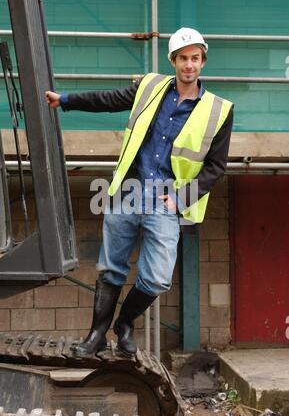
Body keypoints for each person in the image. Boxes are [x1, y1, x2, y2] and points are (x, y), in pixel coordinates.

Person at [46, 27, 233, 357]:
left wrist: (180, 198)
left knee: (157, 279)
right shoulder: (150, 86)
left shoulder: (219, 111)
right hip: (128, 192)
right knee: (111, 269)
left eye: (195, 58)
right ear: (173, 61)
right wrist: (66, 101)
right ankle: (96, 336)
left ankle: (125, 324)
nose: (189, 65)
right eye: (183, 59)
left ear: (203, 62)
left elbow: (215, 168)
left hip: (166, 201)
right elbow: (110, 100)